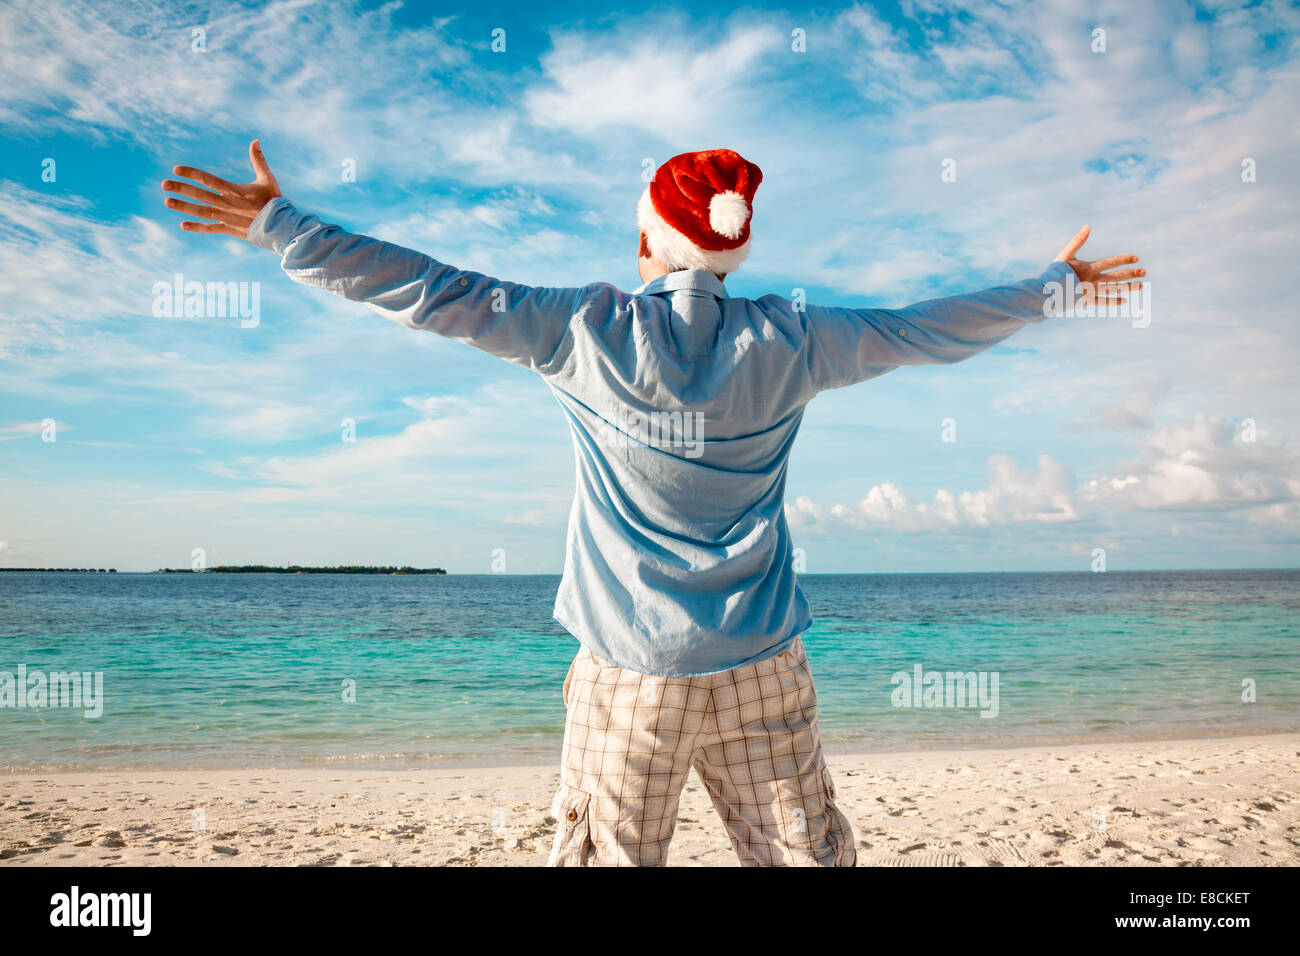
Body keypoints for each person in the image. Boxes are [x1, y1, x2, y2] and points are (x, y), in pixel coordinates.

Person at [162, 141, 1144, 866]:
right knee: (807, 857)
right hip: (765, 661)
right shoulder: (796, 336)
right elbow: (927, 327)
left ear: (647, 240)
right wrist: (1053, 286)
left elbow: (428, 288)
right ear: (730, 253)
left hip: (631, 673)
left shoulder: (581, 327)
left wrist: (279, 224)